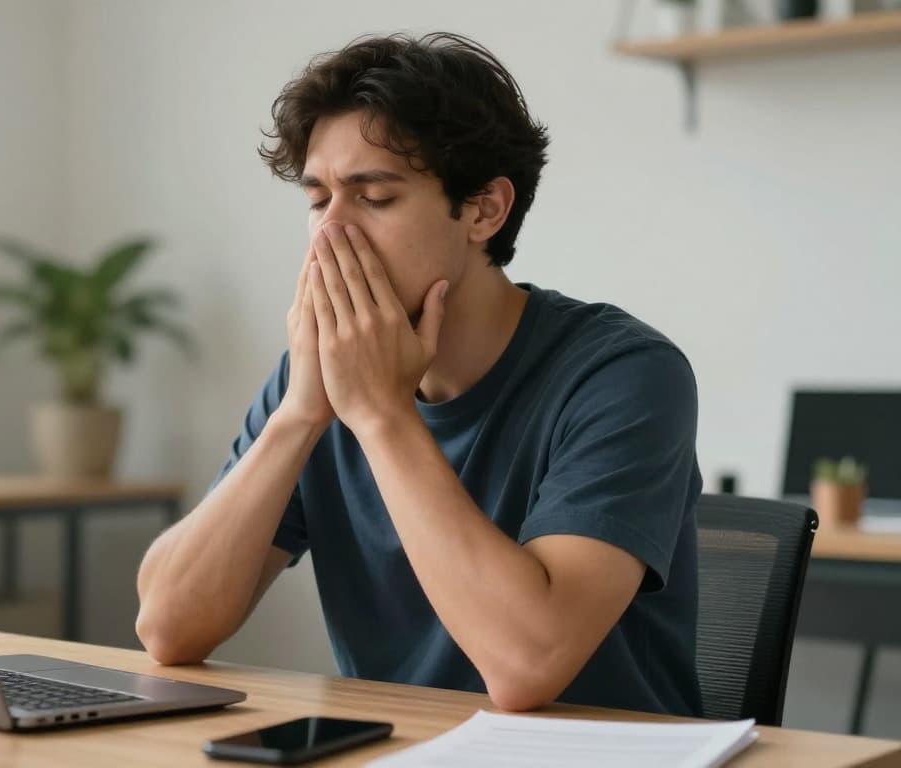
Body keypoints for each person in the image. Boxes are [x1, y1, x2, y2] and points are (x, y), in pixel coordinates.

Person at [134, 32, 703, 717]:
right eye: (319, 201)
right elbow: (167, 628)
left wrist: (380, 416)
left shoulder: (623, 374)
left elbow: (528, 664)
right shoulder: (318, 379)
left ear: (485, 210)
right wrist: (299, 416)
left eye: (373, 198)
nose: (330, 235)